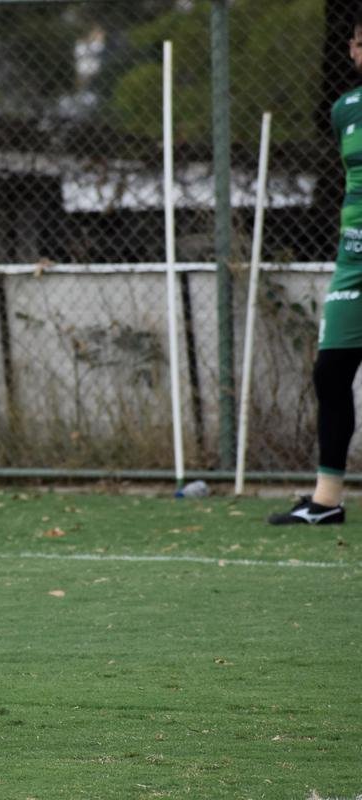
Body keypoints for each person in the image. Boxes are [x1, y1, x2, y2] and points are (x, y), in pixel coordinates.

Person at [269, 12, 362, 526]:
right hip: (353, 261)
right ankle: (326, 501)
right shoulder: (344, 110)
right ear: (351, 49)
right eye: (360, 42)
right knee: (331, 372)